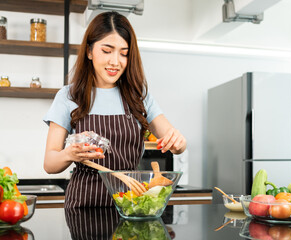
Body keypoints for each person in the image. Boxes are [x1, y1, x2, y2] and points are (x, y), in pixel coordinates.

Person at [43, 11, 187, 208]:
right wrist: (70, 154)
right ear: (89, 51)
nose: (115, 61)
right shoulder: (68, 96)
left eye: (124, 53)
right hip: (85, 207)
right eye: (107, 50)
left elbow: (176, 145)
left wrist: (179, 142)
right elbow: (50, 163)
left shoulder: (139, 97)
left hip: (132, 202)